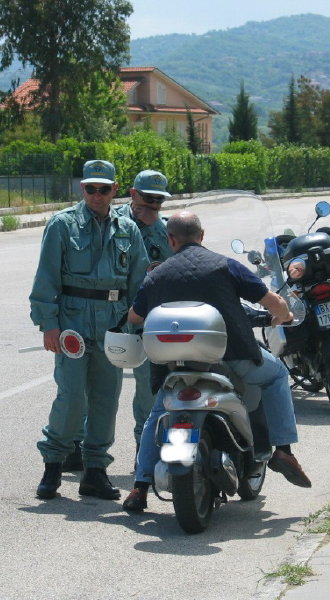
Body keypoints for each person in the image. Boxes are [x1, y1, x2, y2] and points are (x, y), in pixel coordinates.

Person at [121, 210, 312, 512]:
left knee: (157, 413)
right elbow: (273, 302)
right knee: (276, 377)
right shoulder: (225, 266)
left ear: (171, 240)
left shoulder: (156, 275)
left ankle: (140, 487)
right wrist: (283, 316)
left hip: (175, 365)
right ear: (202, 235)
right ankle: (284, 450)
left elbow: (135, 316)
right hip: (231, 356)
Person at [29, 159, 149, 500]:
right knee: (71, 398)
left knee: (105, 399)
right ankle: (53, 465)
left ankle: (95, 471)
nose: (97, 195)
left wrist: (137, 322)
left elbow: (139, 280)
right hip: (73, 324)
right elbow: (46, 279)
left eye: (104, 189)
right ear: (83, 189)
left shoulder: (127, 229)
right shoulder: (62, 225)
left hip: (113, 322)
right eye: (91, 188)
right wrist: (48, 325)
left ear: (114, 190)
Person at [61, 169, 173, 472]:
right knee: (92, 385)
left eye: (158, 201)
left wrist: (159, 232)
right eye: (146, 198)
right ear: (132, 194)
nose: (150, 205)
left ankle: (144, 448)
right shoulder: (112, 220)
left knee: (149, 388)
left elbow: (178, 266)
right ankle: (78, 445)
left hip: (148, 319)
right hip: (109, 315)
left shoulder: (166, 230)